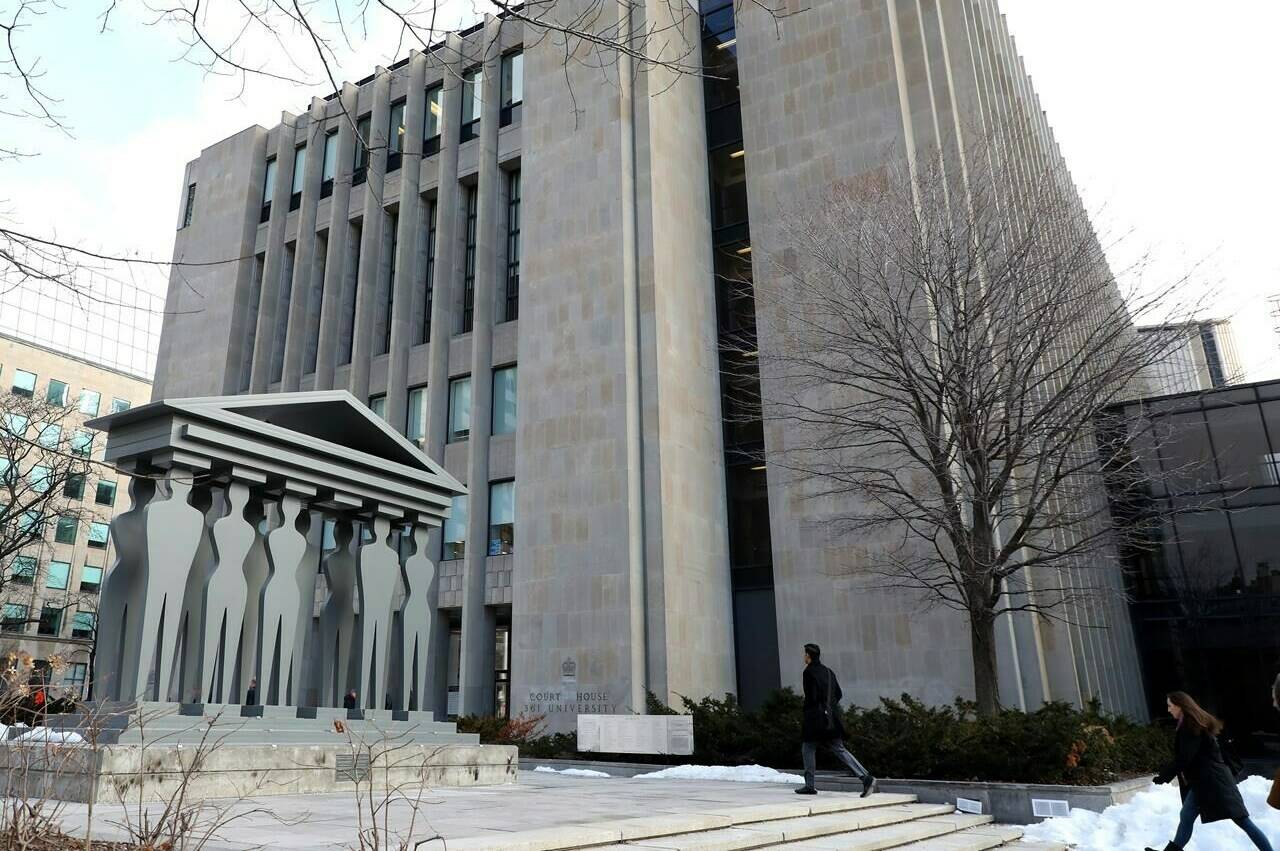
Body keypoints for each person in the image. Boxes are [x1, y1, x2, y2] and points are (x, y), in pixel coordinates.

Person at [1144, 691, 1275, 851]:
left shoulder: (1190, 726)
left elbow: (1185, 758)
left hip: (1214, 783)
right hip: (1205, 783)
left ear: (1180, 706)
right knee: (1186, 816)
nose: (1169, 710)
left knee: (1242, 821)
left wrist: (1163, 776)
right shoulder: (1190, 723)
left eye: (1170, 706)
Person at [795, 643, 876, 797]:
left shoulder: (809, 672)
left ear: (808, 655)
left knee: (808, 748)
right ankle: (865, 777)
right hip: (832, 718)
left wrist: (808, 711)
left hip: (815, 720)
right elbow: (838, 694)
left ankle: (809, 785)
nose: (803, 657)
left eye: (804, 654)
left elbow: (811, 698)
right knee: (839, 749)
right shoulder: (829, 671)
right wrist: (828, 708)